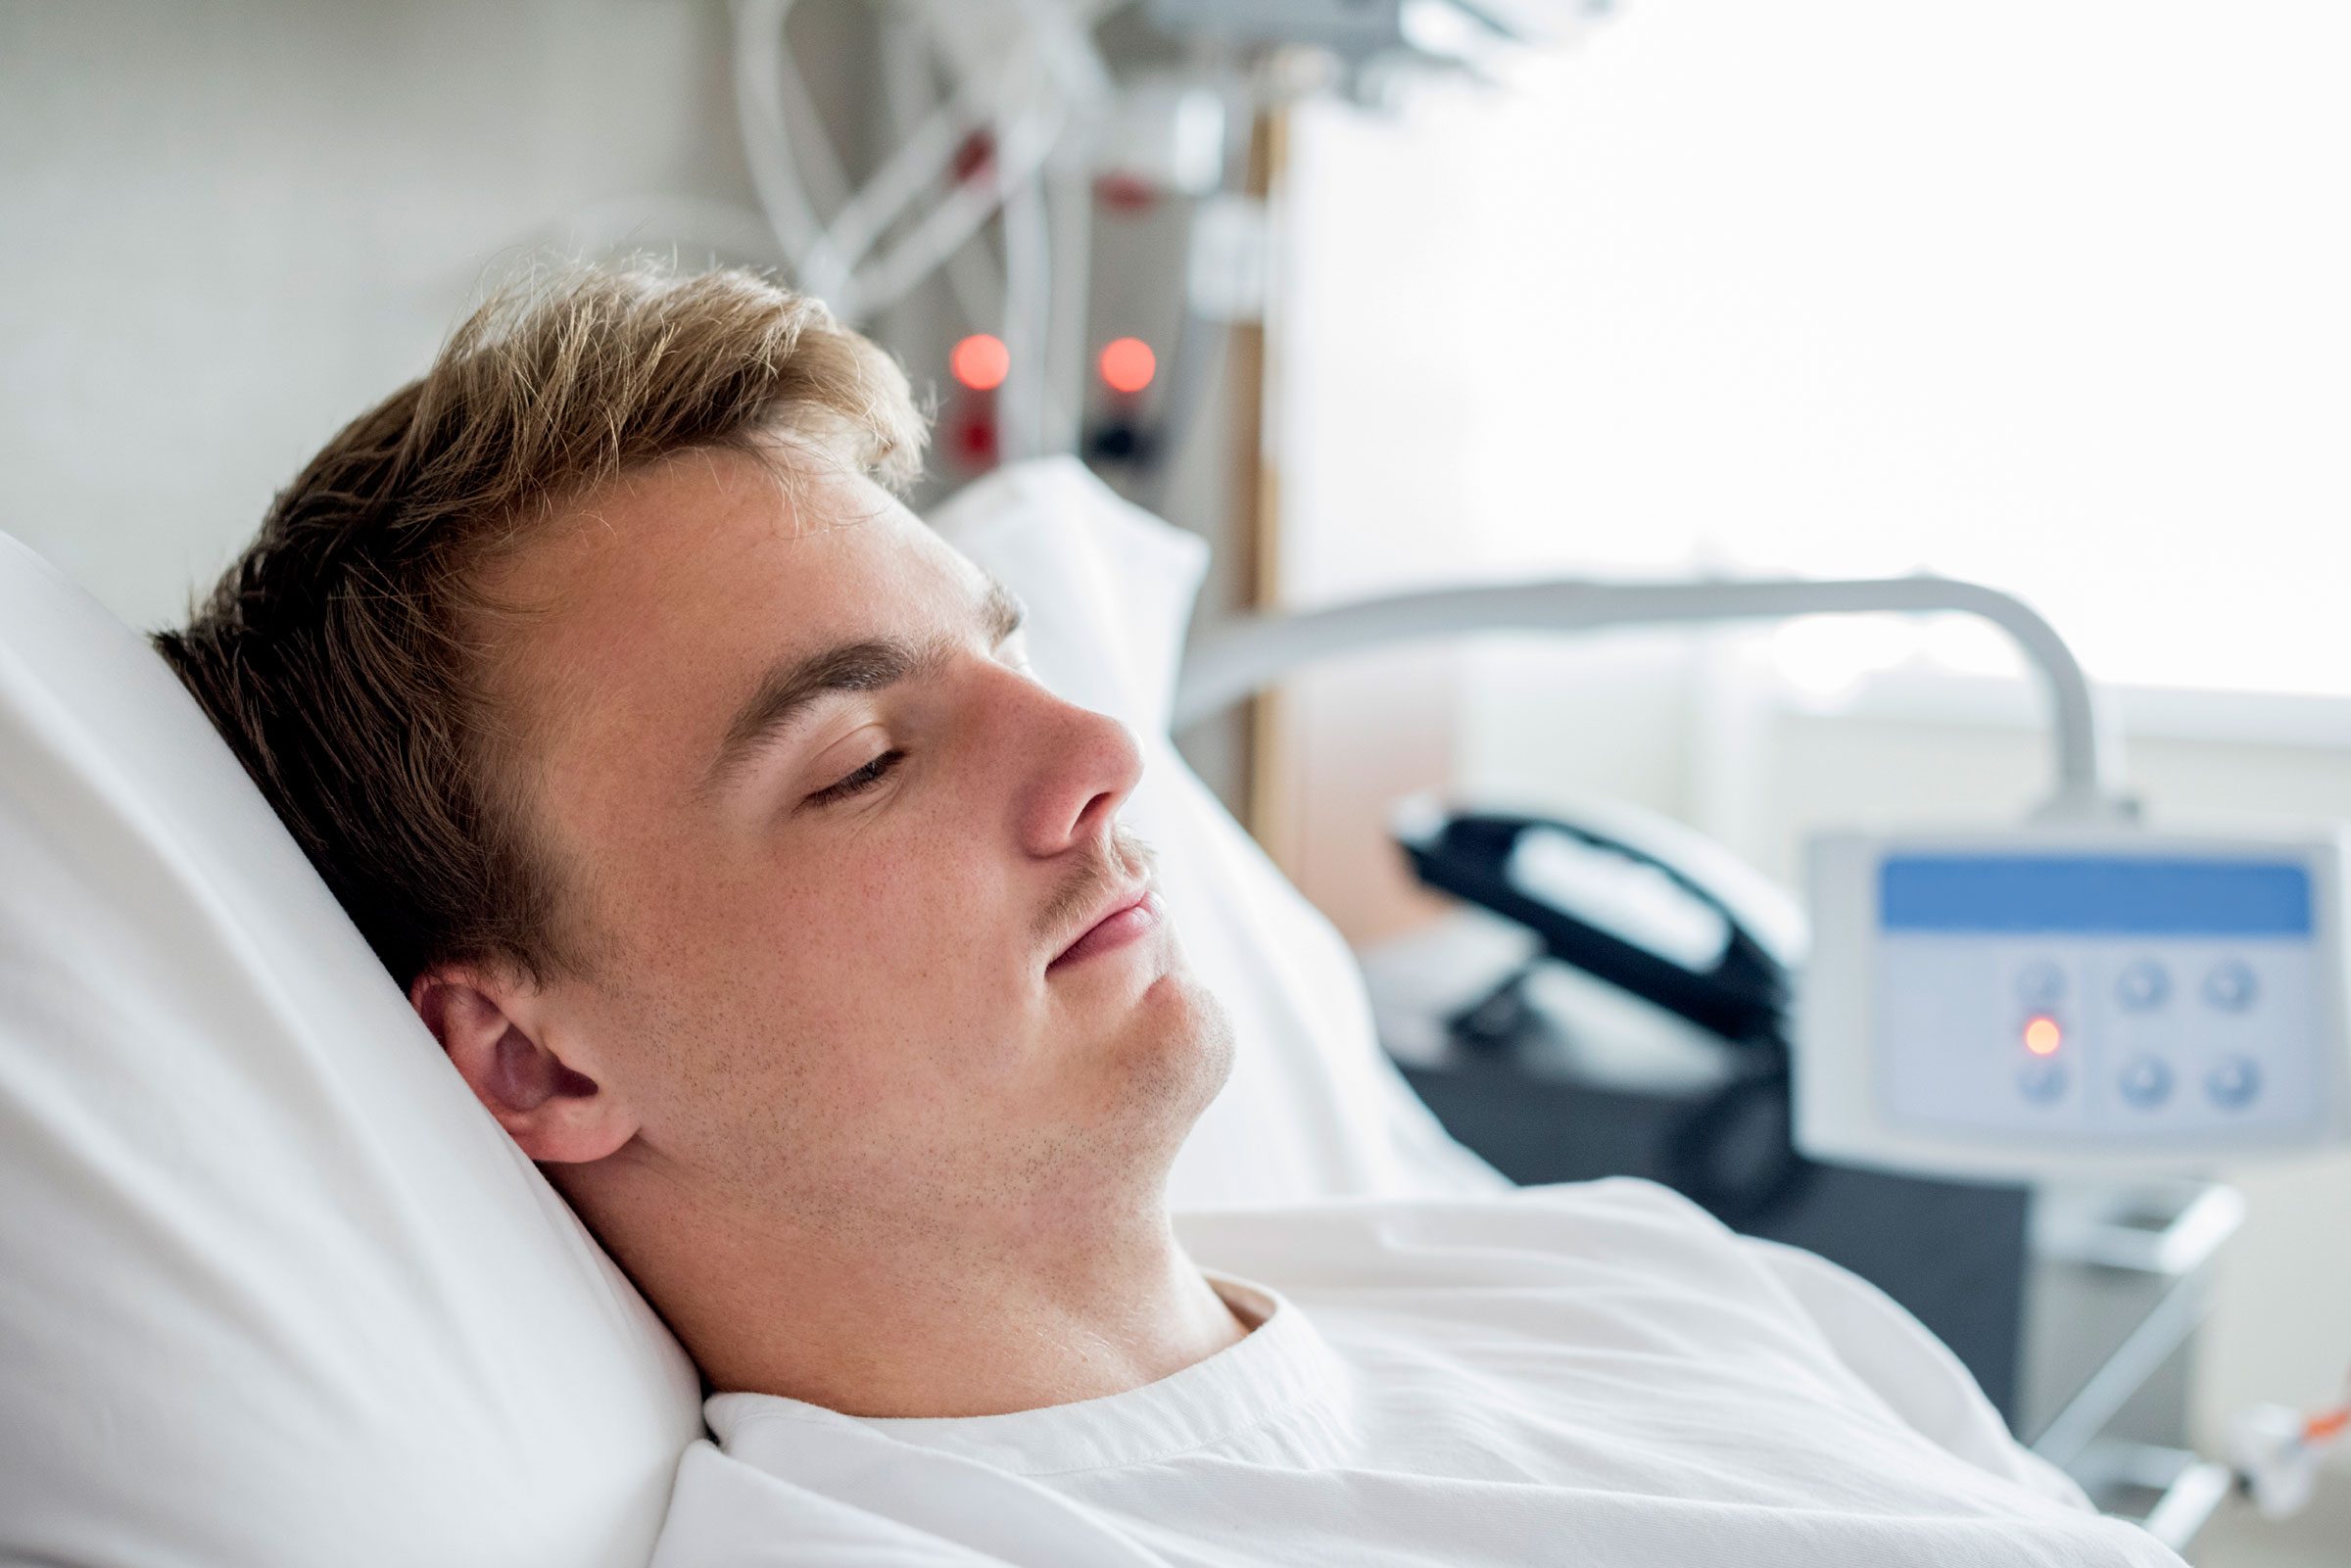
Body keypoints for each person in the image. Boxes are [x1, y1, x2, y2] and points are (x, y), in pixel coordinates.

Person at [156, 263, 2185, 1567]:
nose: (1102, 756)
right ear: (532, 1057)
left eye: (1007, 659)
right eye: (863, 757)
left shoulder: (1620, 1277)